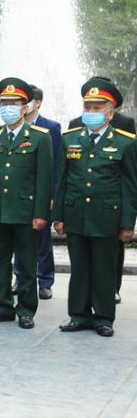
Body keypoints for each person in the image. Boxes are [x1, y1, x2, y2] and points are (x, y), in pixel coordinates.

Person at [54, 77, 137, 337]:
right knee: (79, 267)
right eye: (87, 107)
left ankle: (103, 317)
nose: (91, 112)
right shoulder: (70, 139)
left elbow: (129, 186)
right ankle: (78, 315)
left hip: (106, 216)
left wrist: (128, 223)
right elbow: (62, 180)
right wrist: (58, 216)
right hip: (76, 214)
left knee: (103, 268)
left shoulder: (125, 142)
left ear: (110, 113)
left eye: (97, 108)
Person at [0, 78, 52, 330]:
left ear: (25, 107)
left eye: (14, 103)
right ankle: (2, 306)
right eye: (4, 103)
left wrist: (41, 213)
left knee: (27, 263)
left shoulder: (39, 138)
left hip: (25, 212)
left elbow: (44, 180)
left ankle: (26, 309)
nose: (8, 107)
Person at [18, 84, 62, 300]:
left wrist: (53, 195)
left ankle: (45, 281)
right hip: (19, 193)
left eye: (27, 101)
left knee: (43, 241)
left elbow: (56, 164)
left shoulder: (51, 127)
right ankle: (19, 278)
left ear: (37, 103)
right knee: (19, 239)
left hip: (42, 194)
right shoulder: (14, 126)